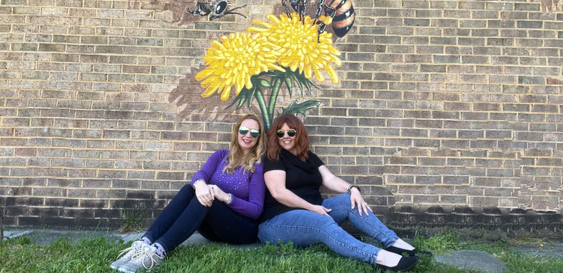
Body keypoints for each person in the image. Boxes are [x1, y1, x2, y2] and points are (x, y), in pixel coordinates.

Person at [257, 114, 430, 272]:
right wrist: (312, 208)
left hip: (313, 210)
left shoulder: (309, 157)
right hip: (277, 223)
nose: (285, 136)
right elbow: (279, 192)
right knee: (321, 222)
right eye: (281, 133)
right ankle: (378, 257)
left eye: (290, 132)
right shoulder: (274, 158)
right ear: (276, 136)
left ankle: (393, 243)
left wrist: (352, 189)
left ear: (298, 133)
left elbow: (330, 179)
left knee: (349, 201)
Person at [110, 114, 266, 273]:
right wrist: (199, 185)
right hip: (213, 229)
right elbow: (200, 175)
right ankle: (145, 243)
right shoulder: (220, 156)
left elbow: (256, 210)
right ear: (237, 131)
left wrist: (226, 197)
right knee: (188, 190)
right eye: (244, 130)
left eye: (254, 133)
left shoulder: (257, 168)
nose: (248, 135)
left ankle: (159, 250)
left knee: (209, 197)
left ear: (258, 138)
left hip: (240, 229)